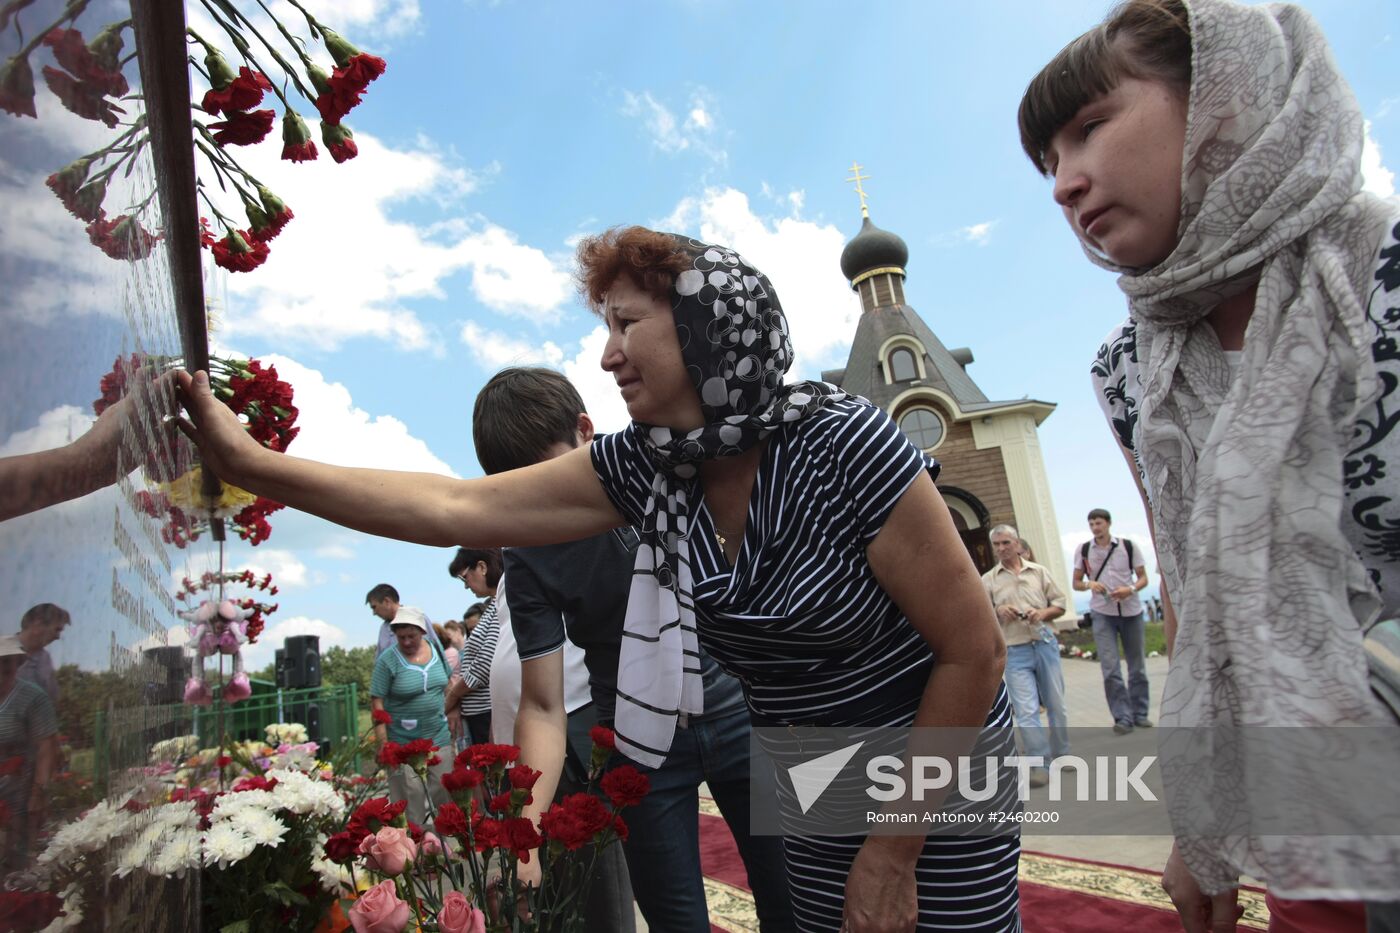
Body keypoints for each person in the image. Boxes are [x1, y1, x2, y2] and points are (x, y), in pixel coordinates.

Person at [174, 226, 1018, 932]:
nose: (607, 354)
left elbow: (973, 651)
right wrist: (253, 463)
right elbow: (447, 506)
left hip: (931, 767)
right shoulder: (653, 465)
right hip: (807, 769)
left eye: (627, 322)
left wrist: (893, 848)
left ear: (704, 327)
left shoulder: (842, 442)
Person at [1019, 0, 1400, 928]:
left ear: (1225, 98)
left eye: (1088, 129)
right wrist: (1200, 818)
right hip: (1306, 800)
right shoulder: (1126, 370)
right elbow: (1192, 590)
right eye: (1047, 165)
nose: (1066, 183)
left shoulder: (1382, 273)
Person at [473, 366, 794, 931]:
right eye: (516, 485)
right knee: (675, 920)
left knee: (797, 901)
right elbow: (543, 706)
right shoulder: (526, 548)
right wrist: (523, 838)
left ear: (585, 431)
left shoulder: (655, 464)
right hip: (637, 743)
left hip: (743, 711)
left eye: (545, 472)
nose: (538, 496)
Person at [981, 524, 1068, 788]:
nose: (1001, 549)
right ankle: (1039, 764)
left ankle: (1062, 754)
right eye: (996, 545)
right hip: (1015, 648)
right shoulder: (989, 580)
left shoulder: (1039, 573)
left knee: (1056, 704)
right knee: (1027, 709)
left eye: (1006, 543)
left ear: (1017, 544)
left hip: (1044, 643)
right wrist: (998, 610)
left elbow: (1060, 604)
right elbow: (981, 616)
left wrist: (1041, 613)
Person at [369, 606, 453, 826]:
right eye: (401, 637)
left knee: (443, 793)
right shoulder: (388, 660)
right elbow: (377, 700)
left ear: (422, 632)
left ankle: (441, 846)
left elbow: (447, 684)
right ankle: (414, 853)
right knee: (410, 798)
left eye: (411, 636)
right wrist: (383, 743)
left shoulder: (435, 649)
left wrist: (454, 712)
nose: (406, 642)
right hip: (402, 742)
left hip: (438, 736)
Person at [1071, 509, 1149, 733]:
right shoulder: (1084, 550)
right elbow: (1076, 582)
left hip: (1130, 610)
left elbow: (1143, 577)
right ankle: (1122, 717)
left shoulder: (1128, 546)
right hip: (1102, 612)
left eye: (1099, 523)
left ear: (1108, 524)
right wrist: (1090, 584)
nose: (1096, 527)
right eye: (1092, 524)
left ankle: (1140, 713)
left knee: (1137, 667)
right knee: (1110, 667)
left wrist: (1130, 589)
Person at [0, 634, 57, 868]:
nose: (2, 666)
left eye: (6, 661)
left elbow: (46, 747)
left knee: (17, 855)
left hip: (20, 789)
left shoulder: (32, 697)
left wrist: (38, 792)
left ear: (17, 662)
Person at [443, 549, 500, 747]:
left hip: (488, 712)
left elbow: (485, 663)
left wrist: (453, 695)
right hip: (481, 713)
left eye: (465, 577)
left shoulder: (502, 603)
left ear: (482, 567)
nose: (466, 586)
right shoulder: (495, 604)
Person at [366, 583, 444, 658]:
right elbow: (380, 663)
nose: (374, 613)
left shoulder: (417, 618)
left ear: (387, 601)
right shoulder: (384, 629)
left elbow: (436, 649)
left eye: (374, 607)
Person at [15, 604, 68, 706]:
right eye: (57, 629)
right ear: (37, 625)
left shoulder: (45, 659)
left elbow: (53, 699)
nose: (58, 637)